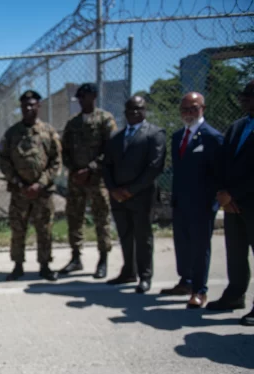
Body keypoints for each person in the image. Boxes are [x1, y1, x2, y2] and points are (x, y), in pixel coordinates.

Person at [160, 92, 223, 309]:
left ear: (202, 109)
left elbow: (219, 173)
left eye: (193, 108)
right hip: (181, 202)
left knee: (199, 247)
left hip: (202, 204)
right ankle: (185, 282)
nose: (189, 113)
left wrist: (214, 203)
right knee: (183, 245)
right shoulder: (178, 136)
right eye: (185, 109)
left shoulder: (212, 137)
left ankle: (199, 290)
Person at [103, 96, 166, 294]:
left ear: (145, 110)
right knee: (125, 234)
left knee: (143, 236)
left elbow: (154, 167)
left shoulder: (155, 134)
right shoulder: (115, 137)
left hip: (141, 196)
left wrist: (131, 190)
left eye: (138, 109)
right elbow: (107, 165)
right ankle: (128, 271)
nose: (134, 112)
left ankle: (145, 276)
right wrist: (113, 189)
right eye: (130, 109)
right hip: (118, 198)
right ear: (125, 112)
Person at [0, 90, 61, 282]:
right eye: (25, 105)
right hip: (19, 192)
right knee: (18, 230)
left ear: (39, 106)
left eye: (32, 104)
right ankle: (17, 265)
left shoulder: (48, 132)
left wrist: (40, 184)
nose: (28, 108)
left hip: (42, 193)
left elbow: (56, 161)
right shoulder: (12, 133)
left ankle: (45, 265)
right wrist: (18, 182)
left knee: (45, 229)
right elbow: (3, 160)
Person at [206, 80, 254, 326]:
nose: (245, 99)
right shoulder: (237, 127)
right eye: (244, 95)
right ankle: (235, 295)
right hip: (232, 203)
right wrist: (222, 193)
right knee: (235, 253)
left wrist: (233, 194)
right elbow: (222, 162)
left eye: (250, 95)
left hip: (248, 200)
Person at [59, 83, 117, 279]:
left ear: (93, 96)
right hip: (76, 180)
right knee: (74, 218)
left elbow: (111, 149)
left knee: (102, 219)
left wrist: (91, 168)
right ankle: (76, 258)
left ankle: (103, 260)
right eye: (79, 98)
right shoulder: (73, 123)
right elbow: (64, 150)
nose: (81, 101)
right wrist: (74, 170)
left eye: (84, 97)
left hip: (97, 179)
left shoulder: (105, 119)